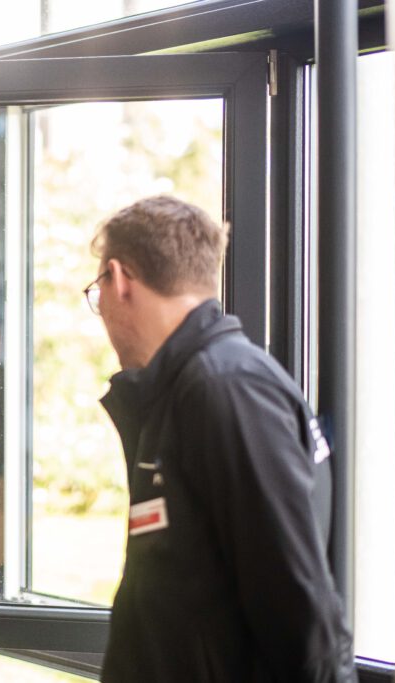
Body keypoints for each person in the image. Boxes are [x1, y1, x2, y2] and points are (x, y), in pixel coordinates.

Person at [85, 196, 356, 682]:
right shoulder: (188, 390)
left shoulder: (224, 389)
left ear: (119, 279)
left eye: (95, 290)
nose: (99, 308)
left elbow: (302, 613)